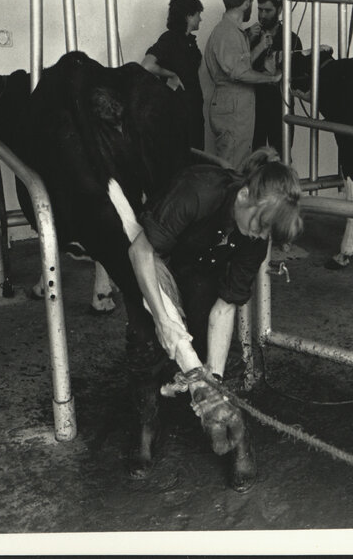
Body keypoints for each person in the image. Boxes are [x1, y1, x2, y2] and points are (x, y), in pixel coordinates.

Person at [123, 147, 303, 492]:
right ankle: (147, 425)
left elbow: (225, 307)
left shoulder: (255, 237)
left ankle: (232, 428)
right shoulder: (198, 190)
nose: (260, 237)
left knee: (215, 346)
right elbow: (140, 251)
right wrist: (162, 318)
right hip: (154, 261)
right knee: (145, 340)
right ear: (245, 195)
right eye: (261, 225)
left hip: (201, 269)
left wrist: (213, 385)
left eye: (269, 233)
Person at [204, 0, 281, 171]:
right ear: (247, 2)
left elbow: (239, 64)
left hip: (237, 108)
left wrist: (260, 46)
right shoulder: (227, 32)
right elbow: (239, 73)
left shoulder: (234, 32)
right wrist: (272, 78)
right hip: (234, 110)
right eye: (253, 3)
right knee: (233, 168)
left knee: (239, 164)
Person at [141, 0, 206, 151]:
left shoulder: (189, 41)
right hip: (179, 113)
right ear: (189, 16)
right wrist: (171, 75)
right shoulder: (169, 39)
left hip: (192, 111)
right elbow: (147, 65)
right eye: (198, 15)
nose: (200, 19)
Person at [248, 0, 303, 153]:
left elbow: (299, 75)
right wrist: (250, 41)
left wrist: (281, 73)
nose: (262, 15)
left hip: (280, 108)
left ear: (280, 9)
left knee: (281, 157)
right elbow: (237, 69)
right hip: (253, 108)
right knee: (253, 158)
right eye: (259, 10)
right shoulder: (248, 35)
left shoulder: (291, 39)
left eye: (268, 10)